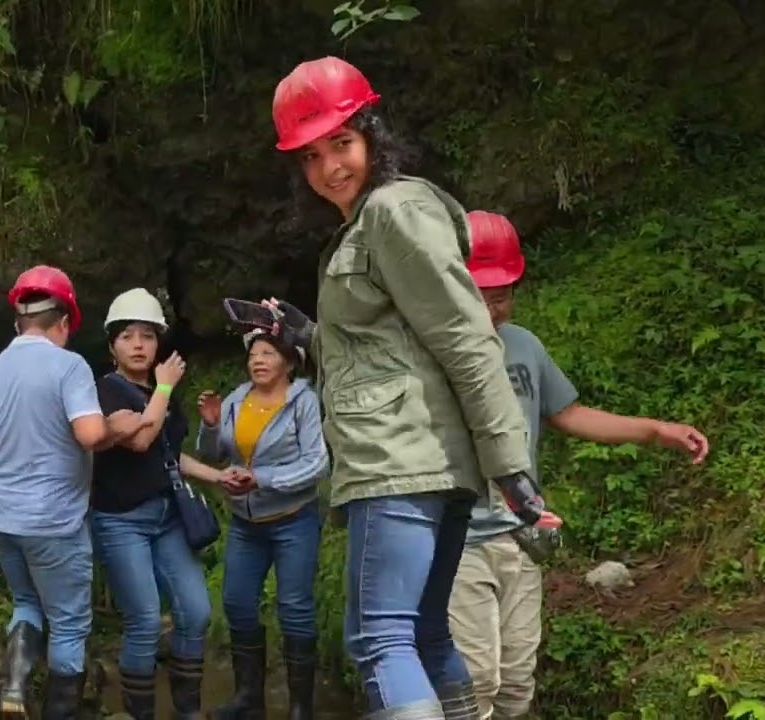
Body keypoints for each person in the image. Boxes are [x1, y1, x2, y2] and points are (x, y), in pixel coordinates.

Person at [265, 56, 559, 720]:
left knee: (380, 642)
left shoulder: (393, 212)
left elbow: (464, 333)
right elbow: (387, 351)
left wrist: (510, 464)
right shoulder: (366, 225)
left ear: (372, 133)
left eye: (341, 143)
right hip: (429, 462)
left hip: (396, 461)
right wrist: (306, 336)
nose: (329, 167)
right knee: (424, 636)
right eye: (310, 156)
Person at [449, 210, 710, 720]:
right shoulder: (436, 352)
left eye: (501, 295)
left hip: (522, 535)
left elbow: (568, 413)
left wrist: (655, 430)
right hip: (457, 539)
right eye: (478, 294)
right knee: (475, 675)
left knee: (517, 678)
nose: (491, 308)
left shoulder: (524, 347)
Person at [0, 266, 113, 720]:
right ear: (64, 321)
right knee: (68, 622)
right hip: (54, 520)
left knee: (26, 602)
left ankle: (13, 688)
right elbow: (88, 433)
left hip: (2, 515)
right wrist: (113, 428)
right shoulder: (70, 366)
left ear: (18, 323)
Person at [90, 288, 224, 720]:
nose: (138, 345)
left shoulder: (164, 393)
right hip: (120, 521)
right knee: (145, 622)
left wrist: (218, 475)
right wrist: (164, 386)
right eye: (127, 336)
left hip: (166, 518)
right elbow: (141, 437)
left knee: (196, 612)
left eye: (147, 336)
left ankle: (188, 711)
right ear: (112, 346)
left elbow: (167, 453)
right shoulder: (104, 393)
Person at [195, 329, 329, 720]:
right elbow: (212, 454)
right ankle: (249, 699)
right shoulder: (238, 399)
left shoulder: (303, 402)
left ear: (289, 362)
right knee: (236, 603)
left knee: (295, 609)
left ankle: (301, 706)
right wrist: (209, 425)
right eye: (254, 353)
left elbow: (317, 463)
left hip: (294, 520)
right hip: (245, 523)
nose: (258, 360)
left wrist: (264, 480)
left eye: (268, 353)